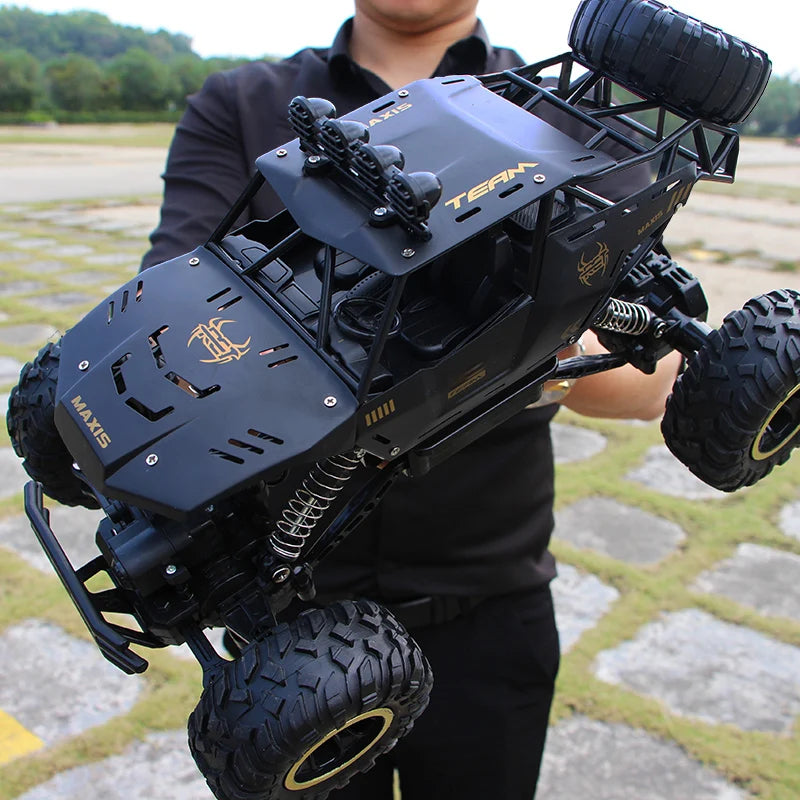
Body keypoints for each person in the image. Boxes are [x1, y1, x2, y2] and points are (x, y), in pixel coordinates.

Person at [142, 1, 681, 796]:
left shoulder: (572, 120)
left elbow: (652, 380)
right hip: (285, 620)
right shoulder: (246, 102)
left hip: (487, 613)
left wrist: (514, 349)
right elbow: (168, 308)